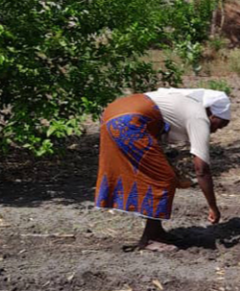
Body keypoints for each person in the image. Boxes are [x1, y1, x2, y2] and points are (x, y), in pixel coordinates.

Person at [94, 88, 230, 251]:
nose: (216, 130)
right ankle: (150, 238)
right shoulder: (199, 117)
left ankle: (156, 231)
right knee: (163, 179)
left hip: (114, 112)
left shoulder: (184, 103)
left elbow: (155, 147)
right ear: (212, 114)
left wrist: (172, 170)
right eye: (220, 125)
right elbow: (201, 169)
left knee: (162, 174)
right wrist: (213, 207)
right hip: (129, 121)